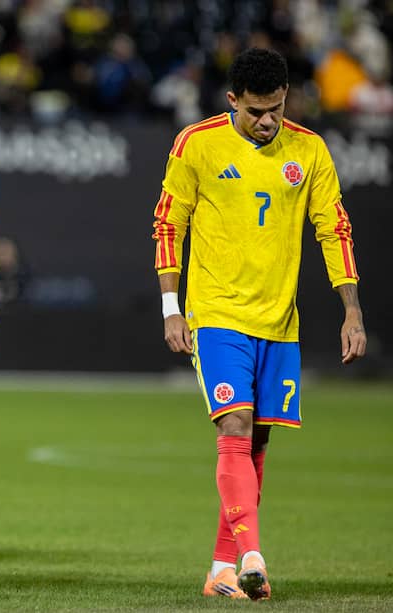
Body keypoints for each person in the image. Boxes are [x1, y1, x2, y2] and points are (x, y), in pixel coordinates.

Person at [152, 47, 367, 601]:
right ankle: (252, 556)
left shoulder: (310, 150)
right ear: (232, 102)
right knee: (235, 426)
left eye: (276, 108)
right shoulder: (197, 144)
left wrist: (352, 310)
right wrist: (171, 307)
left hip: (279, 321)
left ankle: (222, 569)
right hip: (217, 313)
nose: (268, 121)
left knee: (258, 443)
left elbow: (333, 229)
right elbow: (168, 224)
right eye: (256, 111)